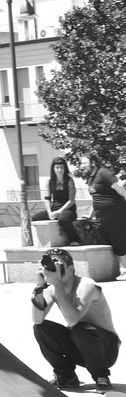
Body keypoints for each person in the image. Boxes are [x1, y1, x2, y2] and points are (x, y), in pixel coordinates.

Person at [31, 246, 121, 391]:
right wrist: (39, 287)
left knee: (79, 328)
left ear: (71, 269)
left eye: (59, 266)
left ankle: (101, 376)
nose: (54, 269)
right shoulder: (52, 289)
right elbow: (37, 320)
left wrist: (57, 284)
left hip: (105, 348)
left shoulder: (87, 286)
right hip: (80, 345)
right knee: (41, 328)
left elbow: (73, 320)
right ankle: (65, 376)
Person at [79, 153, 126, 280]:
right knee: (104, 241)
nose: (81, 166)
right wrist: (90, 215)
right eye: (81, 163)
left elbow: (120, 189)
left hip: (115, 213)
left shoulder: (104, 173)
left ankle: (125, 270)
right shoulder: (90, 178)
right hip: (101, 217)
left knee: (119, 241)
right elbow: (96, 199)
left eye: (84, 163)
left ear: (93, 163)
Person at [32, 157, 81, 246]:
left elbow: (71, 200)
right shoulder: (49, 181)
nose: (59, 170)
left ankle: (74, 238)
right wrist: (50, 212)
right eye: (57, 168)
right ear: (53, 169)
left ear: (65, 168)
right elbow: (47, 199)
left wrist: (59, 212)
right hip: (54, 208)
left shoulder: (70, 181)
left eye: (61, 167)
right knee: (35, 218)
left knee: (63, 219)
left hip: (68, 209)